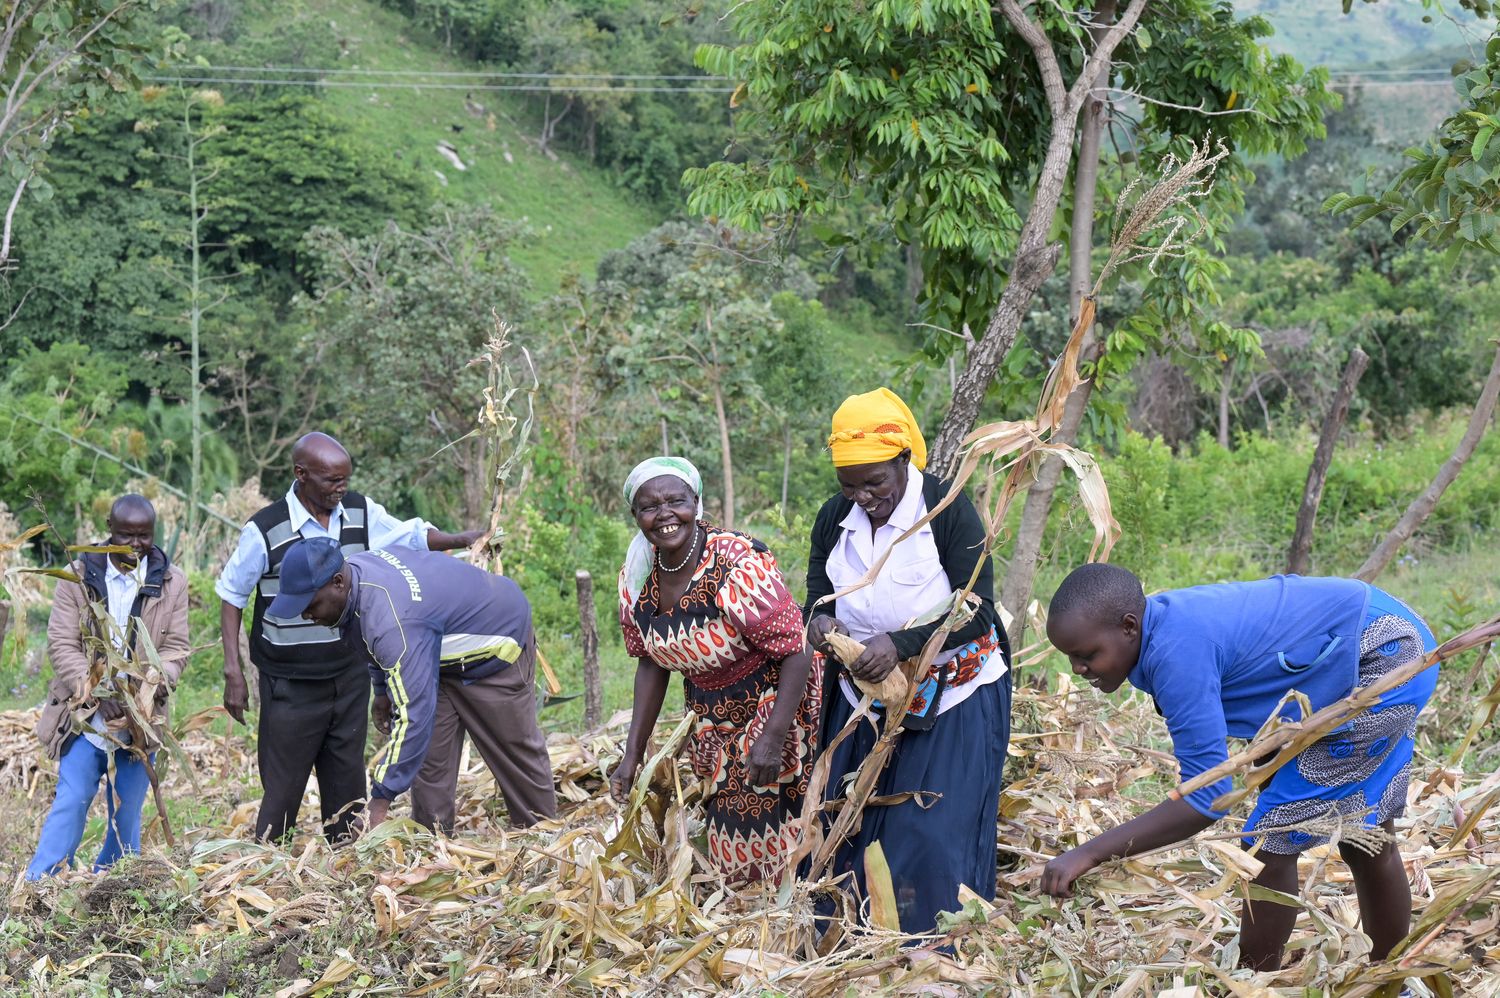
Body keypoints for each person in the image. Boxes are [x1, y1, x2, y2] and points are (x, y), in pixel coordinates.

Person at [1040, 564, 1439, 970]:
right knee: (1361, 834)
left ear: (1128, 627)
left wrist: (1088, 854)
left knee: (1267, 843)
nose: (1077, 669)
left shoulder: (1177, 652)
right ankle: (1388, 978)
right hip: (1372, 635)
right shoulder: (1155, 629)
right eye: (1070, 657)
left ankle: (1254, 980)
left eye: (1086, 655)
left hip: (1381, 655)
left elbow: (1209, 796)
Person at [804, 388, 1012, 933]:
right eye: (850, 485)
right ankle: (854, 936)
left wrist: (900, 644)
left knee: (930, 828)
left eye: (875, 482)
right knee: (851, 820)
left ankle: (935, 944)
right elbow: (815, 598)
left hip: (949, 695)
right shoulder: (834, 519)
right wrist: (823, 626)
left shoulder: (946, 511)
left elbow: (978, 609)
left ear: (904, 460)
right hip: (864, 699)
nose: (863, 497)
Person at [216, 431, 482, 843]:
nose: (341, 489)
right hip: (290, 682)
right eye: (331, 481)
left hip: (349, 673)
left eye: (345, 480)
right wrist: (233, 670)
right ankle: (269, 862)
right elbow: (231, 595)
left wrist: (461, 540)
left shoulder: (358, 511)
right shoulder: (265, 529)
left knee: (347, 785)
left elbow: (409, 535)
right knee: (283, 787)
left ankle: (346, 863)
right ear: (300, 474)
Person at [609, 457, 820, 884]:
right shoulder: (638, 576)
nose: (665, 515)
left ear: (697, 503)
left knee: (787, 833)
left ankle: (796, 926)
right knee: (732, 840)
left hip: (780, 704)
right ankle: (752, 925)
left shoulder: (734, 562)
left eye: (676, 501)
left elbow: (796, 647)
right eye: (650, 506)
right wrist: (632, 755)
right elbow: (651, 664)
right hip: (712, 717)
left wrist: (774, 736)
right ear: (636, 516)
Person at [270, 537, 556, 832]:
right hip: (434, 651)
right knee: (430, 761)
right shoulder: (360, 572)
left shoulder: (392, 620)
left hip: (496, 642)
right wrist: (381, 691)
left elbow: (412, 713)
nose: (306, 614)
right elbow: (374, 639)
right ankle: (434, 845)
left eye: (309, 604)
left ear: (338, 583)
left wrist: (379, 802)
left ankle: (542, 838)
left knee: (513, 750)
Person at [27, 495, 189, 878]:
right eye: (126, 535)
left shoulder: (170, 581)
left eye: (144, 536)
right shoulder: (78, 576)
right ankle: (40, 882)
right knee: (74, 796)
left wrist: (143, 691)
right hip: (84, 716)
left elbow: (177, 649)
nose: (135, 545)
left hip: (140, 721)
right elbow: (62, 644)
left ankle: (114, 882)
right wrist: (97, 694)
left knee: (128, 806)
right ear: (109, 528)